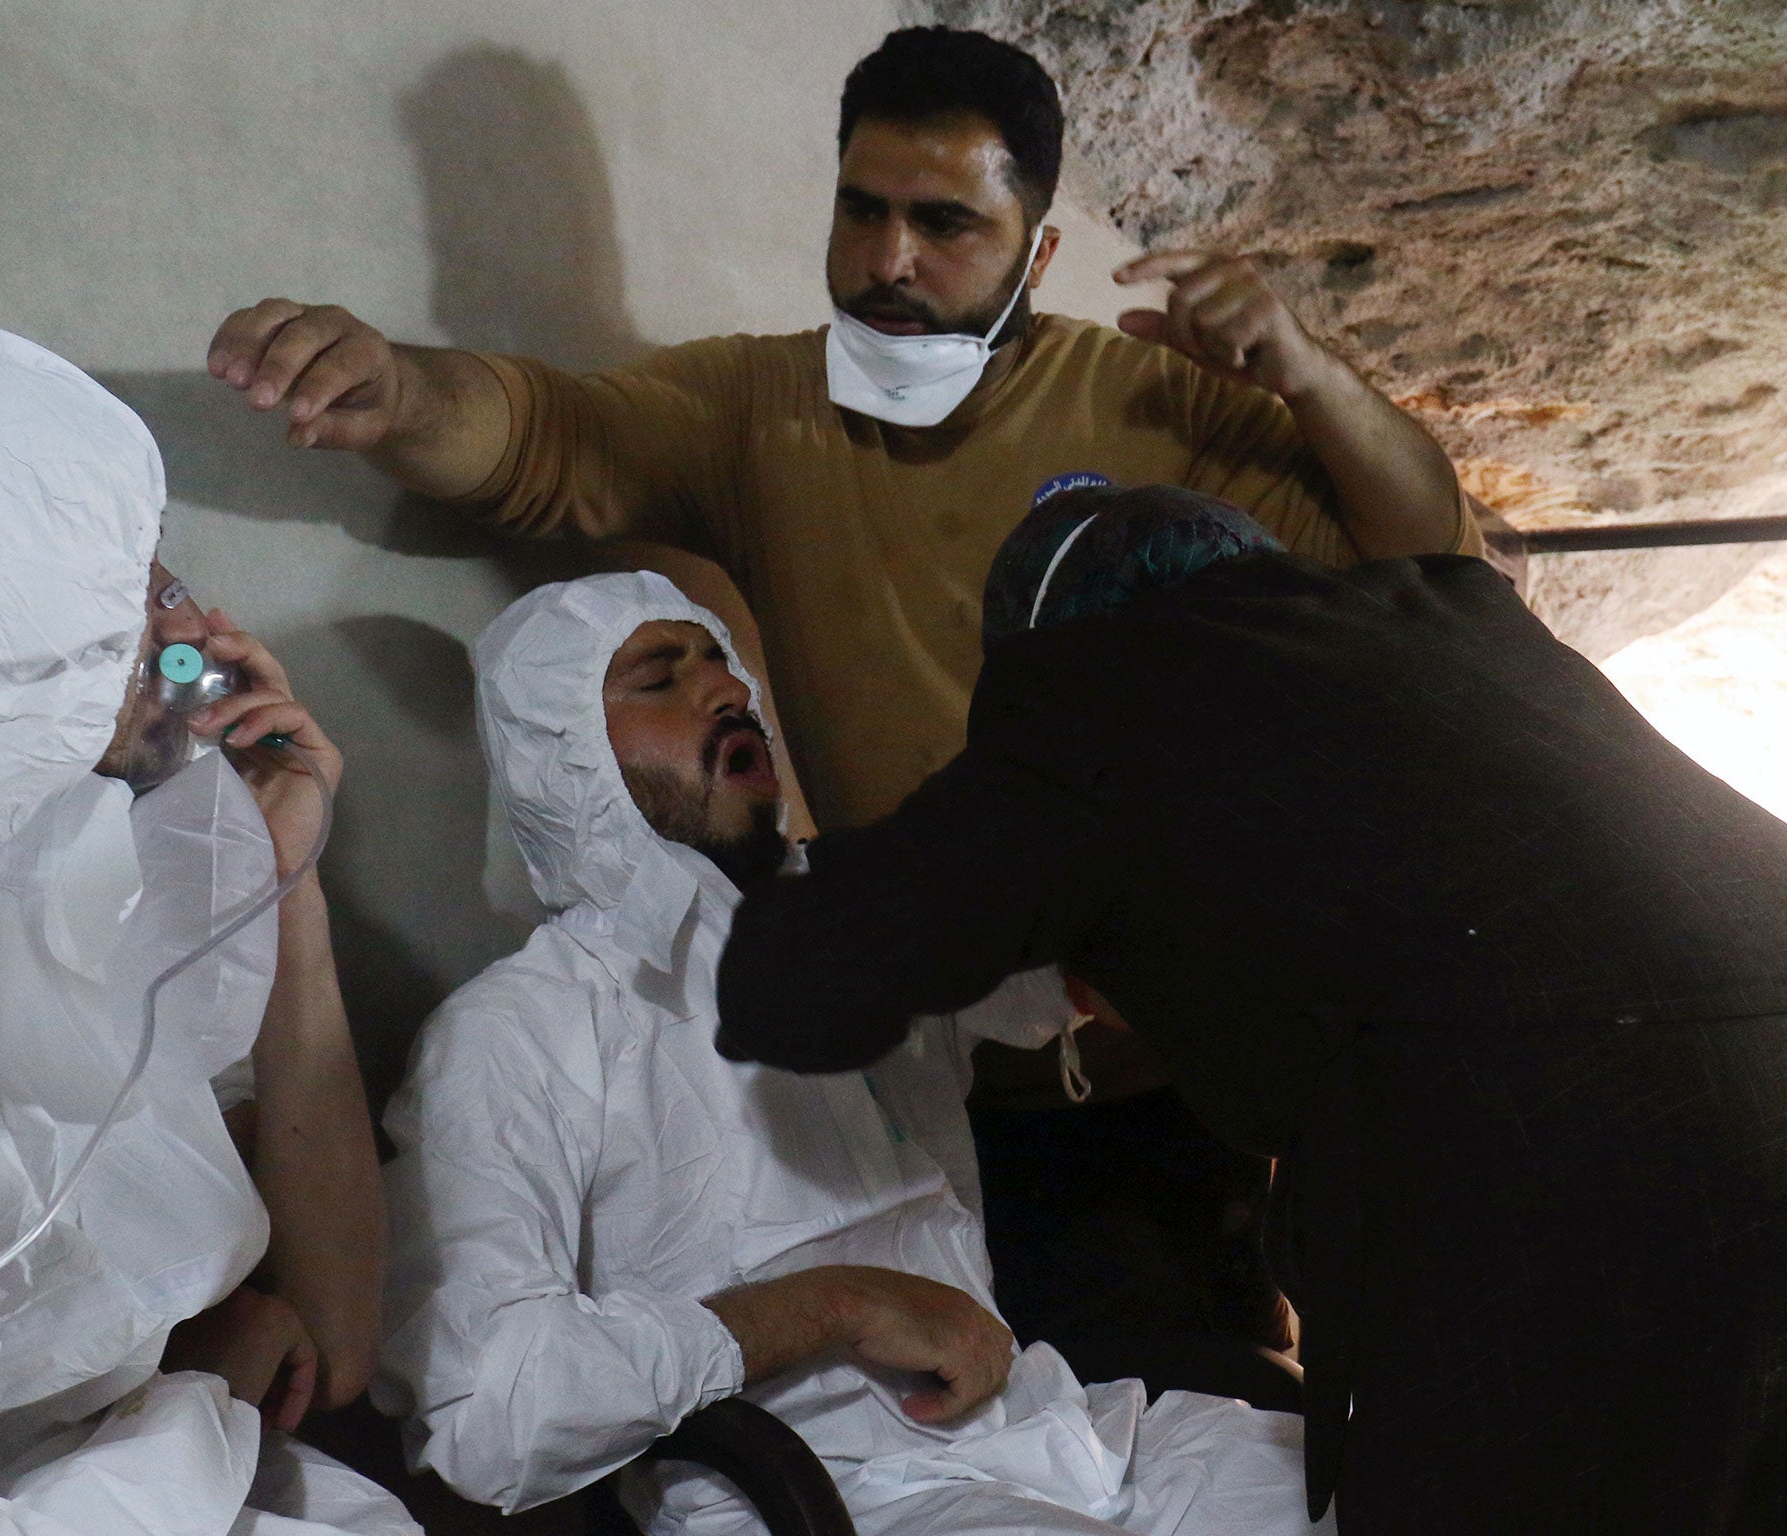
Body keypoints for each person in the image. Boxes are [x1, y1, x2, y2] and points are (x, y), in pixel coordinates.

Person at [714, 483, 1787, 1534]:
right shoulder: (1450, 617)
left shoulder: (1099, 688)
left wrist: (785, 878)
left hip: (1587, 1180)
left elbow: (803, 987)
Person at [206, 24, 1481, 835]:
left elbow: (1427, 562)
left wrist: (1308, 374)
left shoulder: (1150, 398)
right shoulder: (754, 406)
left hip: (1148, 1033)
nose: (887, 260)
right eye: (860, 209)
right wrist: (394, 389)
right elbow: (548, 439)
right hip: (913, 1028)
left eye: (944, 226)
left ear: (1036, 251)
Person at [373, 569, 1324, 1536]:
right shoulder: (513, 1034)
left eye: (721, 662)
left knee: (1416, 1472)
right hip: (822, 1505)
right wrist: (831, 1305)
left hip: (1061, 1438)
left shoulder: (847, 924)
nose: (727, 692)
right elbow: (486, 1413)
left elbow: (1085, 957)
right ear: (561, 756)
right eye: (660, 679)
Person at [0, 325, 407, 1535]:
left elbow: (340, 1337)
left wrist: (286, 882)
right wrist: (195, 1410)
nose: (189, 629)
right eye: (130, 591)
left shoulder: (30, 899)